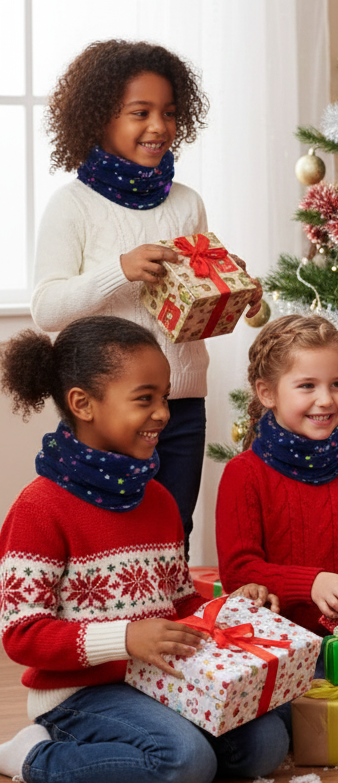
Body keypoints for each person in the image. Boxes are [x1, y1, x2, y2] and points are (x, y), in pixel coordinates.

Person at [0, 316, 287, 783]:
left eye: (165, 397)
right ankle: (31, 754)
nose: (163, 413)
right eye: (145, 398)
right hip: (79, 694)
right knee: (183, 763)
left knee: (265, 745)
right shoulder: (39, 508)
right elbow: (22, 636)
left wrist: (229, 606)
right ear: (83, 404)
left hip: (156, 680)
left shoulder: (156, 501)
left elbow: (176, 606)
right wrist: (127, 638)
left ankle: (164, 735)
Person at [31, 40, 262, 556]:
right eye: (141, 113)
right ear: (98, 119)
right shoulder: (72, 206)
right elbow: (47, 307)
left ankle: (170, 633)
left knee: (170, 536)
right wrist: (121, 270)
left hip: (182, 403)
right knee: (106, 540)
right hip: (108, 409)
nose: (158, 126)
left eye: (169, 113)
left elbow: (188, 308)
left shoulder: (187, 203)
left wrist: (227, 288)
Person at [216, 314, 338, 636]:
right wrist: (310, 583)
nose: (326, 399)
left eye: (337, 384)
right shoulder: (244, 474)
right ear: (267, 393)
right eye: (307, 386)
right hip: (280, 647)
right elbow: (240, 572)